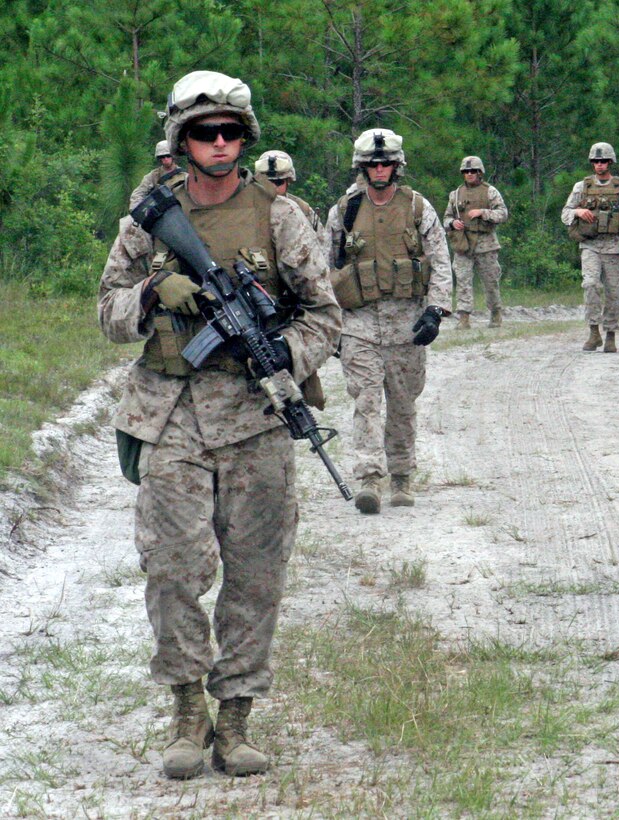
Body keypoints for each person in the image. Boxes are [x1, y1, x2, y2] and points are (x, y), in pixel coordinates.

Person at [98, 70, 341, 780]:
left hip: (255, 416)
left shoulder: (281, 217)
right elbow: (107, 312)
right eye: (205, 132)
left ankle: (234, 718)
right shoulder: (149, 216)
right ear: (182, 138)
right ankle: (185, 711)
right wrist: (149, 291)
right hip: (168, 414)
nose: (221, 143)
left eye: (232, 132)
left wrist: (276, 355)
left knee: (257, 575)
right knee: (172, 569)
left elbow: (325, 315)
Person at [323, 128, 453, 513]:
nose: (379, 170)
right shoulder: (344, 210)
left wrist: (435, 311)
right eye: (372, 165)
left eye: (386, 164)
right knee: (365, 401)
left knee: (402, 403)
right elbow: (322, 268)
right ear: (362, 168)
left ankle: (400, 475)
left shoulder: (417, 208)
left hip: (407, 324)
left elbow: (440, 260)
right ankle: (368, 477)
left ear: (397, 167)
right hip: (359, 324)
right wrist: (330, 327)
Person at [561, 142, 619, 353]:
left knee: (613, 291)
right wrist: (577, 212)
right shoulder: (582, 187)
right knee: (590, 285)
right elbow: (565, 213)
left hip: (615, 246)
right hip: (590, 245)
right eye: (596, 161)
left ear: (610, 162)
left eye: (603, 161)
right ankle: (594, 331)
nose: (599, 165)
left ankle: (611, 334)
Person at [443, 156, 508, 329]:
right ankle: (464, 318)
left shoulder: (490, 192)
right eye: (466, 171)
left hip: (485, 243)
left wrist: (483, 213)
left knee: (490, 281)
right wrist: (452, 223)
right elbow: (446, 217)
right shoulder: (455, 194)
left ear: (480, 173)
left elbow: (502, 214)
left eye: (473, 171)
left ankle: (495, 314)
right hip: (463, 243)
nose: (469, 174)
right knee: (463, 280)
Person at [255, 149, 321, 233]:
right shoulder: (245, 208)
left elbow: (321, 242)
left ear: (288, 181)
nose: (273, 187)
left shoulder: (303, 209)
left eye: (278, 182)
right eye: (268, 182)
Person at [129, 140, 185, 209]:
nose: (166, 159)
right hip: (161, 212)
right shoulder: (153, 176)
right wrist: (137, 211)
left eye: (168, 155)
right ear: (159, 158)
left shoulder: (184, 176)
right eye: (162, 156)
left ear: (173, 156)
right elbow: (138, 194)